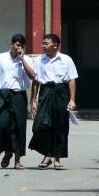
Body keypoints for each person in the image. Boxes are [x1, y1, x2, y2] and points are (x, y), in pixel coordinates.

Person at [0, 34, 36, 170]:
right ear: (11, 44)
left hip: (18, 95)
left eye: (22, 46)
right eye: (17, 45)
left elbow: (32, 76)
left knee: (19, 126)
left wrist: (22, 59)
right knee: (3, 124)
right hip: (3, 94)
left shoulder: (26, 59)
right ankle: (7, 152)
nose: (19, 48)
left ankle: (17, 160)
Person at [28, 33, 79, 170]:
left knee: (60, 125)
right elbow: (35, 81)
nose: (43, 46)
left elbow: (72, 80)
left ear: (55, 45)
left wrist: (72, 99)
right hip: (45, 92)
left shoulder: (66, 59)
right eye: (43, 43)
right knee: (41, 125)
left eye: (46, 43)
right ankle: (47, 153)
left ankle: (56, 157)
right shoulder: (40, 60)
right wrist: (33, 100)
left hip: (61, 92)